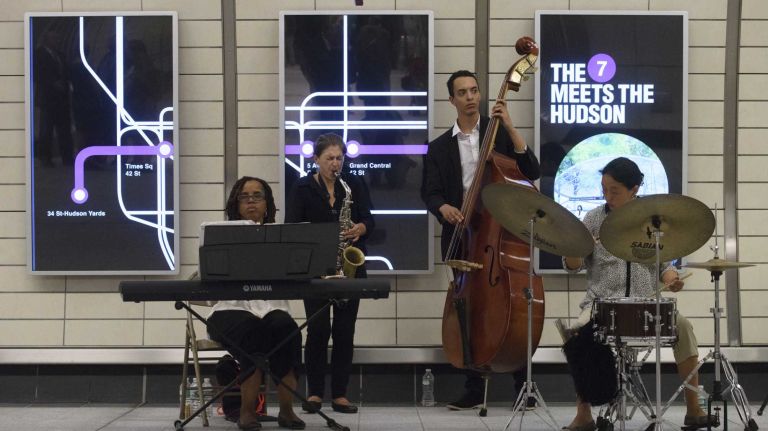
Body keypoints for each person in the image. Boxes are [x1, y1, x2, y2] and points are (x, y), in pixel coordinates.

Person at [561, 157, 718, 431]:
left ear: (634, 189)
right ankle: (583, 414)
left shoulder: (652, 222)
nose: (607, 196)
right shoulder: (594, 218)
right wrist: (573, 250)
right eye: (604, 189)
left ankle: (693, 409)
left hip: (646, 305)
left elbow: (662, 265)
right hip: (601, 303)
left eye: (615, 191)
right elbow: (572, 266)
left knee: (684, 327)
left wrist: (672, 278)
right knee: (576, 332)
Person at [421, 69, 541, 410]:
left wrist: (512, 129)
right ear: (452, 100)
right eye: (463, 92)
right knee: (468, 309)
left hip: (500, 234)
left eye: (474, 90)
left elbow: (531, 171)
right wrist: (443, 207)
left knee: (512, 305)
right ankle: (473, 385)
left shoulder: (499, 133)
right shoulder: (438, 148)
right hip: (462, 234)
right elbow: (428, 193)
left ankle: (522, 384)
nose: (471, 97)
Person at [285, 133, 375, 414]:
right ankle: (314, 393)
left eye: (339, 158)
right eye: (329, 159)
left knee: (345, 331)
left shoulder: (353, 184)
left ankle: (339, 394)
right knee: (318, 330)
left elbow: (369, 219)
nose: (335, 164)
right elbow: (292, 227)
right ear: (316, 160)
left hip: (349, 269)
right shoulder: (302, 187)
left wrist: (360, 228)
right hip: (316, 269)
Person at [206, 176, 305, 431]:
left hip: (272, 308)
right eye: (244, 196)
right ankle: (247, 412)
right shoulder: (218, 234)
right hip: (230, 310)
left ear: (267, 202)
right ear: (235, 204)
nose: (251, 201)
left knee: (288, 330)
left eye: (257, 196)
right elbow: (209, 288)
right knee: (252, 332)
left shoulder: (282, 237)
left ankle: (286, 411)